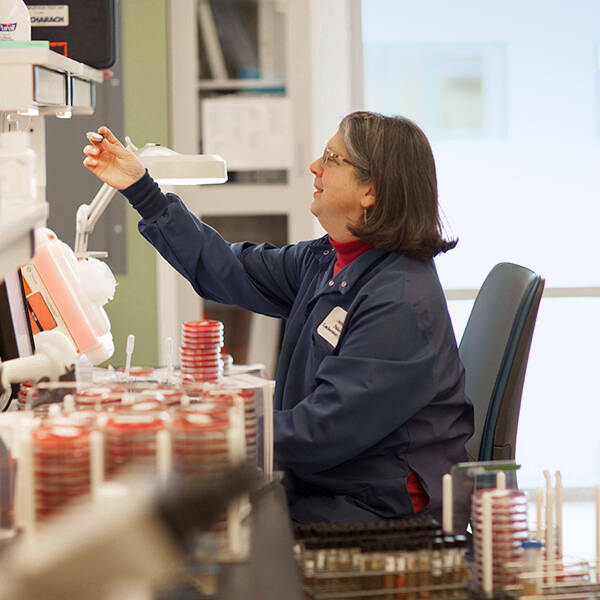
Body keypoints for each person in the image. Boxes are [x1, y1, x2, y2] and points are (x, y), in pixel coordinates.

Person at [83, 111, 474, 524]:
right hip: (328, 483)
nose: (315, 167)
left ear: (369, 191)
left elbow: (320, 431)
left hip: (375, 511)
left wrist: (200, 429)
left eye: (332, 159)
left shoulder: (397, 304)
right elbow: (226, 269)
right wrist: (142, 189)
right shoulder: (329, 260)